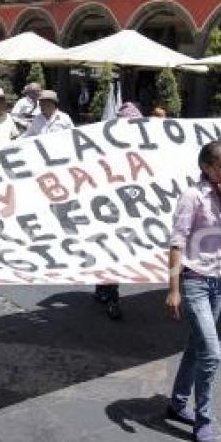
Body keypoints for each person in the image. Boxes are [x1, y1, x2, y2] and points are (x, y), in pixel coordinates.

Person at [165, 141, 221, 442]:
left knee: (195, 347)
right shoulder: (192, 196)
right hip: (194, 283)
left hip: (217, 284)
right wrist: (173, 289)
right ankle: (204, 420)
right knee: (211, 354)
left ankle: (176, 403)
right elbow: (176, 243)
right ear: (207, 167)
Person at [94, 101, 144, 320]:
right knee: (111, 250)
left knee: (116, 252)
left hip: (130, 209)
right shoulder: (107, 148)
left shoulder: (142, 146)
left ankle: (104, 288)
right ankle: (111, 296)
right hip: (108, 209)